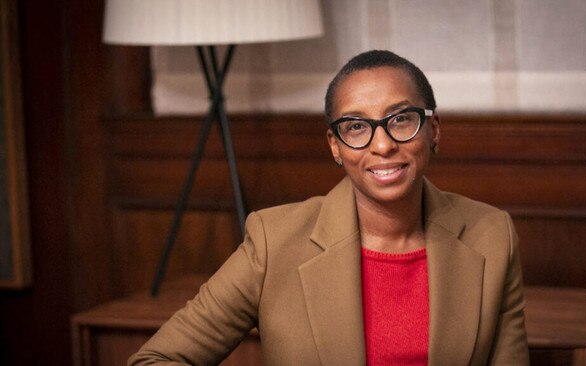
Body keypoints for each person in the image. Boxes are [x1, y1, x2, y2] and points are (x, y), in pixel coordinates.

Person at [129, 50, 529, 365]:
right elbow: (156, 359)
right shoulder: (274, 240)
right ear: (335, 146)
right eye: (356, 126)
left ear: (433, 130)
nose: (383, 144)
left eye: (401, 119)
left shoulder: (492, 235)